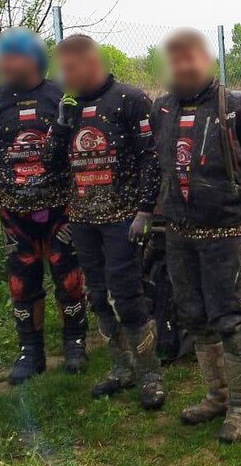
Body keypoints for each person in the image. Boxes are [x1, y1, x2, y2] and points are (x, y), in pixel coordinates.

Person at [151, 28, 241, 443]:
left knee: (229, 318)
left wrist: (240, 210)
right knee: (194, 317)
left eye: (190, 58)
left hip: (223, 234)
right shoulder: (162, 108)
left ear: (206, 61)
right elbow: (156, 165)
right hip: (179, 234)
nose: (183, 66)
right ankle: (216, 396)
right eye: (176, 60)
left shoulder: (239, 107)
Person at [42, 34, 165, 410]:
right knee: (97, 296)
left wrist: (145, 209)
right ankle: (120, 368)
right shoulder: (69, 107)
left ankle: (150, 374)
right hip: (83, 218)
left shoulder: (130, 99)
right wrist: (60, 126)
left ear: (91, 63)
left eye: (69, 69)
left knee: (126, 296)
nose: (63, 77)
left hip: (122, 217)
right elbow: (50, 164)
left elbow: (152, 158)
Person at [0, 28, 88, 386]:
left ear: (33, 58)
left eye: (13, 57)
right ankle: (30, 352)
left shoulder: (60, 95)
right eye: (2, 57)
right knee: (22, 283)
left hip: (61, 207)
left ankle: (75, 342)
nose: (5, 64)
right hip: (14, 211)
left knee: (68, 276)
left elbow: (80, 149)